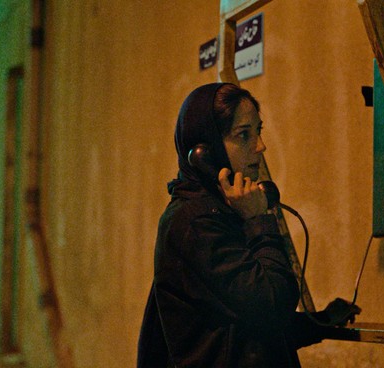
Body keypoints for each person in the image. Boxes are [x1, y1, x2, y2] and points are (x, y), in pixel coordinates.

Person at [137, 83, 361, 367]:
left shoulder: (221, 210)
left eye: (259, 131)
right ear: (205, 152)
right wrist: (258, 221)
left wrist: (321, 322)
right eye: (244, 135)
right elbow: (272, 306)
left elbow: (247, 323)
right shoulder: (196, 222)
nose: (260, 146)